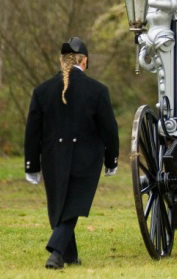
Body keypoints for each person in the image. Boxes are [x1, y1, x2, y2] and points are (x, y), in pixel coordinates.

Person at [24, 37, 119, 269]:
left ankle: (70, 256)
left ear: (62, 61)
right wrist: (111, 160)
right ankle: (57, 253)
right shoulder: (98, 90)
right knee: (70, 207)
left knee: (62, 205)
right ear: (84, 61)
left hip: (52, 158)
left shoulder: (41, 91)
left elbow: (32, 131)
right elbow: (109, 129)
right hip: (86, 159)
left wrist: (32, 164)